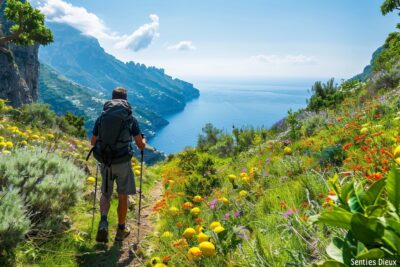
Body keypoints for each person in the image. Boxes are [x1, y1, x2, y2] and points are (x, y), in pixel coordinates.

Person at [91, 87, 146, 243]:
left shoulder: (102, 117)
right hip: (122, 162)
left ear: (112, 98)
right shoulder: (130, 119)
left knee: (105, 193)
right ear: (125, 100)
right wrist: (144, 140)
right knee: (123, 196)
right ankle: (121, 230)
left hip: (105, 162)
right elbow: (140, 145)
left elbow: (92, 142)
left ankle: (103, 221)